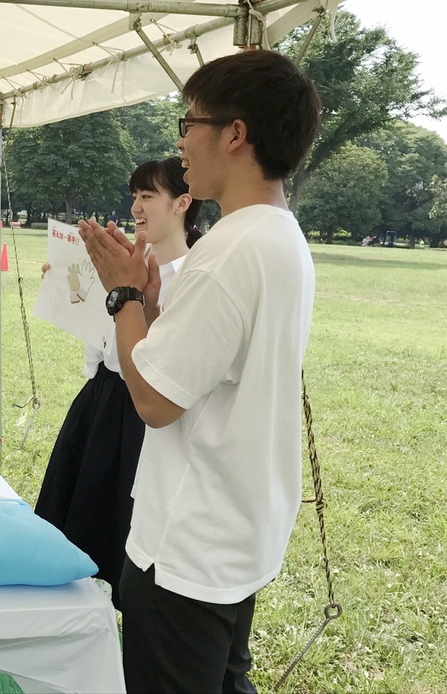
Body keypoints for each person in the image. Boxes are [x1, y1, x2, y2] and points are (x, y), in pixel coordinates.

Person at [79, 50, 320, 693]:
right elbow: (214, 364)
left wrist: (124, 295)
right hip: (240, 531)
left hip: (186, 546)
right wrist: (155, 308)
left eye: (189, 123)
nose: (181, 142)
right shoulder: (281, 238)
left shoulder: (227, 250)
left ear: (234, 134)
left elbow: (156, 401)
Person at [35, 158, 202, 605]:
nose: (136, 207)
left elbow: (162, 359)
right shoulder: (124, 262)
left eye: (148, 196)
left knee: (122, 527)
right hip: (101, 399)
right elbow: (101, 340)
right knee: (74, 518)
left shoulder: (193, 275)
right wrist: (66, 289)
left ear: (183, 203)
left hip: (145, 408)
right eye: (134, 196)